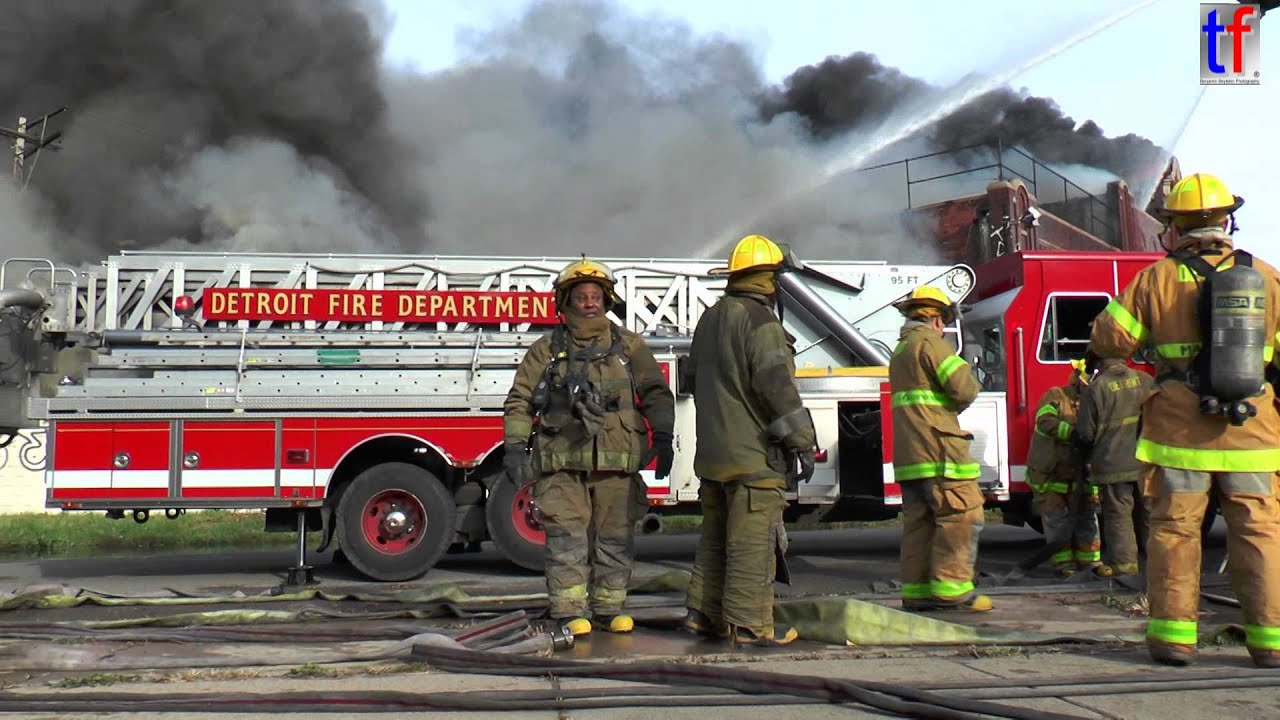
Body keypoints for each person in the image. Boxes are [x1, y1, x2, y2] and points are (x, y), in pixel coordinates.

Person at [1089, 172, 1280, 668]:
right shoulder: (1265, 275)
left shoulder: (1155, 279)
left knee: (1175, 530)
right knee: (1259, 532)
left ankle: (1175, 639)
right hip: (1252, 433)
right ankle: (1270, 642)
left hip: (1180, 430)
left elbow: (1109, 341)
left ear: (1174, 226)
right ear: (1226, 221)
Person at [503, 256, 675, 637]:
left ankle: (609, 609)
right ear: (566, 302)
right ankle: (567, 610)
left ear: (607, 300)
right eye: (581, 296)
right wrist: (514, 446)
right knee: (567, 537)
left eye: (595, 295)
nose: (589, 303)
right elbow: (519, 399)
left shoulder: (630, 347)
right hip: (562, 463)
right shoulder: (546, 349)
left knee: (615, 537)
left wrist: (663, 436)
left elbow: (656, 394)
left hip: (616, 466)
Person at [681, 233, 816, 647]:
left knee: (716, 538)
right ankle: (749, 627)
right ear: (770, 280)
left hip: (714, 455)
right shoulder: (761, 322)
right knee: (751, 543)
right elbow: (775, 385)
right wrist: (802, 441)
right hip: (754, 457)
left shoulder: (711, 318)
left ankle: (702, 615)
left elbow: (693, 380)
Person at [888, 285, 992, 612]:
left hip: (912, 455)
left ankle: (918, 593)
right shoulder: (931, 344)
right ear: (934, 318)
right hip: (939, 452)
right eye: (942, 322)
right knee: (961, 514)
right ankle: (952, 590)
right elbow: (965, 388)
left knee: (921, 524)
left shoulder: (901, 350)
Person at [1074, 354, 1154, 577]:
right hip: (1147, 462)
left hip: (1112, 465)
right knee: (1150, 515)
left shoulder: (1096, 388)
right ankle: (1158, 566)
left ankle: (1126, 571)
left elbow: (1085, 433)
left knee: (1119, 517)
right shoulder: (1145, 380)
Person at [1025, 360, 1102, 577]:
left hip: (1082, 474)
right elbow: (1045, 421)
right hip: (1051, 472)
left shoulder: (1096, 403)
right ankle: (1064, 564)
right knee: (1057, 519)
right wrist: (1072, 433)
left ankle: (1092, 564)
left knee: (1087, 517)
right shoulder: (1056, 396)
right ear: (1077, 378)